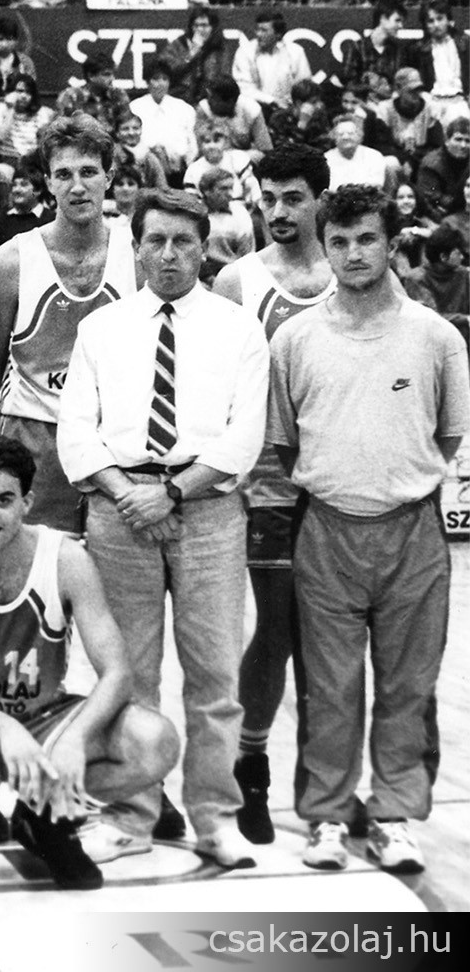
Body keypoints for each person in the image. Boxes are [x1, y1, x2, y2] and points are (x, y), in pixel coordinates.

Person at [57, 188, 268, 869]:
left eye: (183, 241)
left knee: (215, 677)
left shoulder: (239, 329)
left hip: (209, 512)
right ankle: (130, 816)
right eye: (157, 241)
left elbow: (244, 438)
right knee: (128, 676)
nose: (170, 254)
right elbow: (75, 433)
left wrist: (172, 492)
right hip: (120, 511)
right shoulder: (101, 328)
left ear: (204, 247)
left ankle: (216, 818)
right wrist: (131, 496)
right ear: (137, 247)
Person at [269, 184, 470, 875]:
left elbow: (448, 437)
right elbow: (285, 443)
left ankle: (393, 816)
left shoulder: (437, 337)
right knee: (329, 686)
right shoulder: (294, 339)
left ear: (391, 243)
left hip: (413, 529)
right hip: (326, 528)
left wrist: (395, 481)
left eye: (367, 239)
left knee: (408, 686)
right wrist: (344, 481)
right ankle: (327, 815)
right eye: (340, 242)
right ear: (323, 248)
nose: (354, 253)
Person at [0, 435, 179, 893]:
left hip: (45, 719)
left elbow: (117, 672)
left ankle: (44, 815)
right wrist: (3, 727)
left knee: (155, 741)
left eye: (3, 500)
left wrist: (76, 738)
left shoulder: (65, 558)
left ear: (27, 502)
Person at [209, 148, 336, 845]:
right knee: (281, 631)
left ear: (320, 200)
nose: (279, 211)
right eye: (268, 199)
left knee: (331, 642)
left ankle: (323, 788)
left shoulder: (351, 269)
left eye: (293, 198)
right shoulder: (239, 280)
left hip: (342, 477)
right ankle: (250, 766)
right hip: (267, 480)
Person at [0, 115, 137, 534]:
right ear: (47, 182)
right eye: (64, 175)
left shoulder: (136, 254)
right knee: (39, 565)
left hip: (114, 435)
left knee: (111, 567)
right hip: (32, 434)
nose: (77, 186)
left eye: (89, 172)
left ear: (109, 176)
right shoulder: (12, 260)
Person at [128, 62, 197, 182]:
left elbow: (192, 143)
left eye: (165, 79)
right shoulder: (134, 107)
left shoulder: (184, 108)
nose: (160, 84)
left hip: (179, 170)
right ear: (148, 82)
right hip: (144, 168)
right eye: (155, 79)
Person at [232, 11, 311, 111]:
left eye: (264, 30)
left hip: (289, 109)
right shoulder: (245, 52)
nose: (258, 34)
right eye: (257, 29)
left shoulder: (295, 51)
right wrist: (272, 101)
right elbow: (244, 88)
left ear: (278, 34)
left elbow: (304, 85)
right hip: (254, 110)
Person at [0, 162, 52, 259]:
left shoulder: (50, 220)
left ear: (37, 191)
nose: (17, 190)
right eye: (14, 185)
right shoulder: (2, 216)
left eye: (24, 185)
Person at [161, 7, 232, 105]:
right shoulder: (180, 44)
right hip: (181, 97)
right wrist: (190, 56)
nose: (199, 30)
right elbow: (165, 69)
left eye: (204, 25)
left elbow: (224, 76)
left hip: (211, 99)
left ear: (213, 27)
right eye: (196, 25)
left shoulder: (220, 47)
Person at [414, 1, 469, 126]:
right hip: (431, 102)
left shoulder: (464, 43)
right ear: (425, 25)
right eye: (430, 21)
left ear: (448, 20)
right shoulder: (418, 49)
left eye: (440, 19)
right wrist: (425, 98)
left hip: (460, 101)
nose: (436, 24)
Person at [339, 0, 409, 95]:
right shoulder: (356, 48)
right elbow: (348, 83)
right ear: (383, 19)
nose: (401, 26)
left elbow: (400, 82)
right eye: (397, 20)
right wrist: (373, 88)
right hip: (361, 99)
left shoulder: (397, 51)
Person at [194, 78, 272, 160]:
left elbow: (265, 149)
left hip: (245, 158)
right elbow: (201, 148)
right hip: (214, 158)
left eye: (213, 98)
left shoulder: (252, 110)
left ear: (229, 102)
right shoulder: (204, 110)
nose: (208, 101)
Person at [56, 55, 131, 136]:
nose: (112, 78)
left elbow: (127, 125)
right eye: (106, 74)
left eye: (112, 74)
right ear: (91, 76)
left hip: (111, 141)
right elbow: (60, 129)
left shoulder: (118, 95)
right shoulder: (72, 96)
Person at [404, 225, 470, 316]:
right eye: (458, 253)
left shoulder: (462, 274)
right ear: (443, 257)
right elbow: (430, 316)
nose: (462, 257)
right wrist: (464, 319)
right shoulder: (417, 278)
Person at [417, 118, 470, 221]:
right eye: (458, 139)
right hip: (438, 215)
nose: (463, 145)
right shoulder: (431, 164)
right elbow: (428, 198)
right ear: (447, 141)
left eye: (468, 141)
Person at [325, 116, 391, 192]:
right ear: (334, 137)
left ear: (359, 135)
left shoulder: (374, 156)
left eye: (350, 133)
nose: (345, 137)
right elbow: (328, 188)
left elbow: (376, 184)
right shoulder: (326, 159)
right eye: (340, 134)